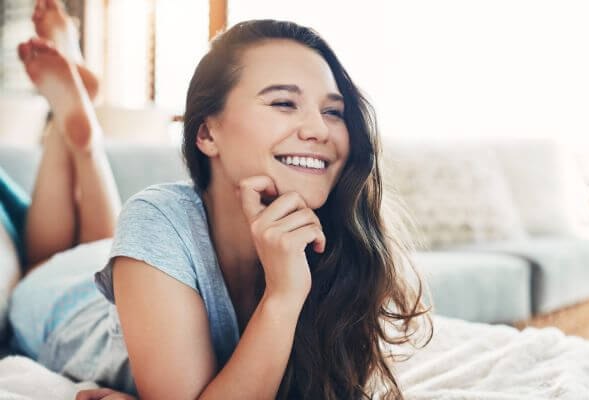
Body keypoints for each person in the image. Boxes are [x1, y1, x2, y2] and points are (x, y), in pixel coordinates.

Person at [6, 2, 432, 399]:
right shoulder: (157, 217)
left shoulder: (342, 240)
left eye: (333, 112)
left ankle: (76, 119)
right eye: (284, 102)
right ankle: (79, 135)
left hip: (131, 266)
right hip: (64, 301)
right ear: (208, 134)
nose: (319, 130)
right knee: (45, 261)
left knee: (101, 241)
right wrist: (283, 295)